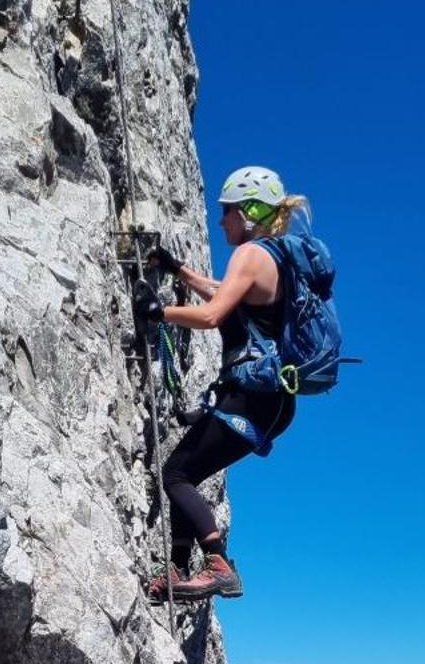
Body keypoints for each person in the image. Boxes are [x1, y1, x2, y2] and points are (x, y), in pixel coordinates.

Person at [132, 166, 310, 604]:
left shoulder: (250, 255)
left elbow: (213, 317)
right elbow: (224, 293)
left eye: (227, 212)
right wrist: (180, 271)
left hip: (251, 395)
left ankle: (217, 564)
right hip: (272, 403)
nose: (221, 221)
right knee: (184, 472)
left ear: (249, 211)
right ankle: (176, 567)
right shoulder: (277, 261)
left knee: (174, 473)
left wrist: (159, 314)